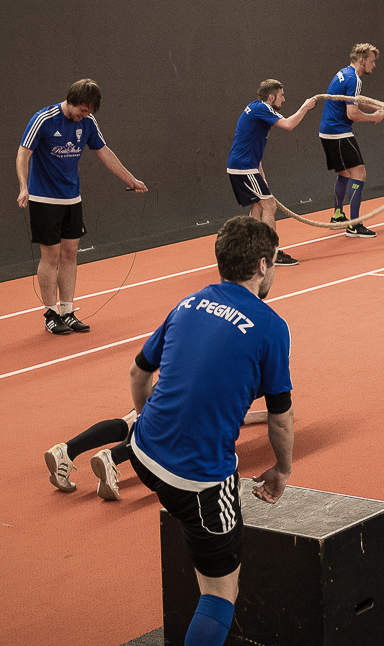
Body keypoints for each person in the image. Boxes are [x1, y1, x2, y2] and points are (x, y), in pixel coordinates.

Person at [127, 215, 295, 646]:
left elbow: (138, 373)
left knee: (192, 524)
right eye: (273, 263)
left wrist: (150, 421)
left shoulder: (188, 302)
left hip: (142, 453)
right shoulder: (272, 326)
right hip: (198, 480)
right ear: (262, 266)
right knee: (222, 592)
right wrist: (283, 468)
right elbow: (279, 416)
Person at [16, 78, 147, 335]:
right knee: (50, 256)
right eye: (82, 110)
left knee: (70, 254)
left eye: (89, 112)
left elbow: (104, 151)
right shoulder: (44, 119)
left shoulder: (87, 123)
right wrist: (24, 187)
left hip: (72, 199)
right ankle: (51, 313)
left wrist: (130, 179)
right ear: (72, 101)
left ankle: (67, 310)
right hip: (44, 199)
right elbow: (23, 153)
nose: (84, 115)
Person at [45, 406, 270, 502]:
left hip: (171, 378)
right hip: (193, 398)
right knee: (172, 436)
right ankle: (111, 458)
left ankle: (66, 450)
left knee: (130, 421)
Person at [227, 79, 316, 266]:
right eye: (281, 96)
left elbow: (252, 142)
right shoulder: (263, 108)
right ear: (271, 97)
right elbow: (289, 125)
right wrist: (305, 107)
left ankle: (254, 250)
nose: (283, 100)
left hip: (244, 166)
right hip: (243, 167)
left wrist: (262, 175)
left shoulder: (256, 108)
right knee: (269, 205)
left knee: (258, 206)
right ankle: (271, 253)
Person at [319, 43, 384, 238]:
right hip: (339, 132)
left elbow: (356, 102)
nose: (373, 65)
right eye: (372, 61)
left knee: (344, 173)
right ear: (362, 60)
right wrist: (374, 117)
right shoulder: (355, 80)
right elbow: (352, 113)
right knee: (360, 173)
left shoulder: (344, 73)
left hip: (326, 131)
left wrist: (380, 106)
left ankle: (338, 216)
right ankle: (354, 225)